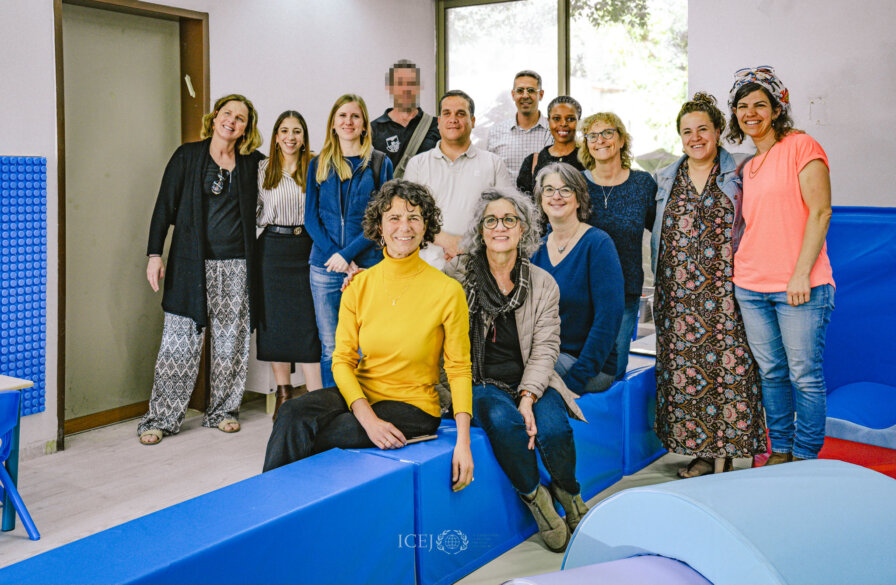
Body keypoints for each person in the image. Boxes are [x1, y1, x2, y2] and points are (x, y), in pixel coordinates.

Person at [264, 180, 475, 495]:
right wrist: (367, 417)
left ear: (426, 226)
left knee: (322, 433)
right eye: (394, 218)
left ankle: (285, 507)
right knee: (292, 414)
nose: (404, 226)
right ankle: (270, 507)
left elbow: (458, 368)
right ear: (379, 226)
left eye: (414, 217)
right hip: (365, 392)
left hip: (414, 406)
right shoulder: (359, 286)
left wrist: (463, 442)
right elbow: (343, 360)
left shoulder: (447, 291)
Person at [450, 187, 589, 552]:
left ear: (523, 229)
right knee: (504, 420)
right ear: (481, 230)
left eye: (509, 219)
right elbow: (419, 294)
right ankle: (540, 504)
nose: (500, 227)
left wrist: (528, 397)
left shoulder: (543, 283)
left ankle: (570, 496)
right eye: (491, 220)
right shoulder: (456, 275)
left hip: (531, 377)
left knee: (555, 428)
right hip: (479, 381)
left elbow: (546, 349)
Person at [139, 94, 264, 444]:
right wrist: (154, 254)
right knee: (178, 344)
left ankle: (223, 411)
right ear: (214, 118)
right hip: (190, 265)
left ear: (245, 129)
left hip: (237, 266)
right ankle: (161, 418)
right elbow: (164, 206)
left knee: (231, 343)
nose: (232, 121)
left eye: (240, 118)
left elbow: (289, 172)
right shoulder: (187, 156)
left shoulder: (253, 163)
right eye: (228, 114)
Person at [651, 93, 765, 477]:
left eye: (703, 129)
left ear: (718, 130)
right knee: (685, 375)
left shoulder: (741, 172)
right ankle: (700, 454)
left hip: (727, 291)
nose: (695, 137)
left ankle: (731, 454)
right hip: (678, 296)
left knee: (732, 372)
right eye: (687, 131)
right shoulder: (666, 176)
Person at [727, 66, 835, 464]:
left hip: (800, 285)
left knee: (803, 376)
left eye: (760, 104)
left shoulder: (802, 145)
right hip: (751, 285)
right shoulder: (747, 166)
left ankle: (805, 457)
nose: (750, 113)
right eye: (742, 106)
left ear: (776, 109)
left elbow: (820, 212)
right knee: (771, 375)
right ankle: (781, 450)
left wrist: (801, 273)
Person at [305, 94, 393, 388]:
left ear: (365, 125)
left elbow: (383, 219)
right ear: (333, 123)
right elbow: (310, 219)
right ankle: (337, 411)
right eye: (342, 116)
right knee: (332, 347)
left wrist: (350, 255)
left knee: (368, 345)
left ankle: (368, 408)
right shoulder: (318, 164)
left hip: (367, 266)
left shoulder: (380, 163)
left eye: (355, 116)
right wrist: (338, 257)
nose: (348, 122)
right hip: (325, 267)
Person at [530, 163, 624, 395]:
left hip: (588, 368)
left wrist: (575, 379)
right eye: (549, 190)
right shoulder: (535, 250)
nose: (556, 196)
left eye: (566, 189)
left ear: (579, 198)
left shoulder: (598, 244)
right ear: (541, 199)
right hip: (545, 358)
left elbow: (608, 320)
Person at [256, 110, 324, 420]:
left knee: (308, 323)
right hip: (272, 249)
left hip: (305, 247)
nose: (290, 137)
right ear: (275, 136)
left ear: (304, 136)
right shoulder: (263, 169)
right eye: (284, 130)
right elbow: (254, 211)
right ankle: (283, 392)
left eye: (297, 131)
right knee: (275, 323)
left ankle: (315, 396)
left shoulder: (316, 167)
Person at [579, 112, 657, 380]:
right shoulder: (576, 183)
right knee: (577, 367)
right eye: (592, 135)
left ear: (622, 139)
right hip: (580, 293)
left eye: (608, 133)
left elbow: (661, 230)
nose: (600, 140)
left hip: (624, 291)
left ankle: (610, 423)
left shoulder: (642, 184)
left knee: (611, 372)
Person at [404, 90, 514, 270]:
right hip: (428, 267)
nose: (453, 119)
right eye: (447, 113)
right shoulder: (417, 164)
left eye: (460, 114)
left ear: (473, 121)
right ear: (439, 122)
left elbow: (507, 216)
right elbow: (407, 217)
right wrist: (445, 240)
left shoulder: (493, 164)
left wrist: (469, 244)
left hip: (481, 267)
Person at [371, 59, 440, 178]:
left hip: (427, 195)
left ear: (419, 86)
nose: (406, 89)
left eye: (411, 83)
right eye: (400, 83)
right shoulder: (373, 129)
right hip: (389, 196)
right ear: (390, 87)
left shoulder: (436, 125)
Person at [487, 70, 553, 179]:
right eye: (520, 90)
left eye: (531, 90)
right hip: (506, 196)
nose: (525, 95)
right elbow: (490, 175)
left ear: (540, 95)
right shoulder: (496, 132)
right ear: (513, 95)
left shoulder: (553, 132)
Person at [516, 96, 585, 198]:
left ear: (579, 122)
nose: (563, 124)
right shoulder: (532, 161)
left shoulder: (589, 160)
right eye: (556, 119)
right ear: (548, 121)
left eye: (570, 119)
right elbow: (524, 205)